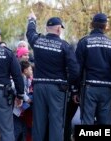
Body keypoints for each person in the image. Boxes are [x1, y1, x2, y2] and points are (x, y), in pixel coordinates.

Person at [26, 11, 80, 141]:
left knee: (38, 122)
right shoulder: (64, 46)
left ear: (46, 28)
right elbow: (75, 70)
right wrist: (70, 84)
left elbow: (30, 33)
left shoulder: (37, 41)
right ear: (58, 28)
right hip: (57, 88)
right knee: (56, 122)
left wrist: (32, 20)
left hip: (39, 86)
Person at [73, 13, 111, 125]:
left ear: (92, 25)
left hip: (89, 87)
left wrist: (75, 89)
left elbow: (77, 68)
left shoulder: (84, 42)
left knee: (87, 120)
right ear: (105, 26)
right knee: (105, 120)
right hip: (107, 88)